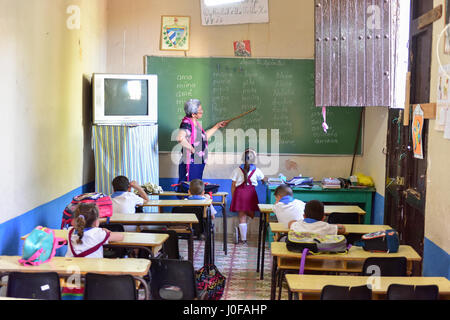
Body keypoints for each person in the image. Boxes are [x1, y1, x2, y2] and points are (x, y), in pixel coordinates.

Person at [176, 99, 228, 185]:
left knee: (196, 187)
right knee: (189, 186)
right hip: (191, 162)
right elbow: (180, 138)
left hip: (198, 161)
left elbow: (203, 138)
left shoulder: (195, 123)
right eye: (200, 111)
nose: (202, 112)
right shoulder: (186, 123)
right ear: (193, 114)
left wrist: (217, 126)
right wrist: (192, 149)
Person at [230, 149, 265, 244]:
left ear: (242, 158)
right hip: (251, 194)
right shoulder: (257, 170)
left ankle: (243, 238)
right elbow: (263, 179)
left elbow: (233, 185)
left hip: (240, 194)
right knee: (250, 214)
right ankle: (243, 235)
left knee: (242, 217)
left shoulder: (237, 170)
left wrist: (234, 197)